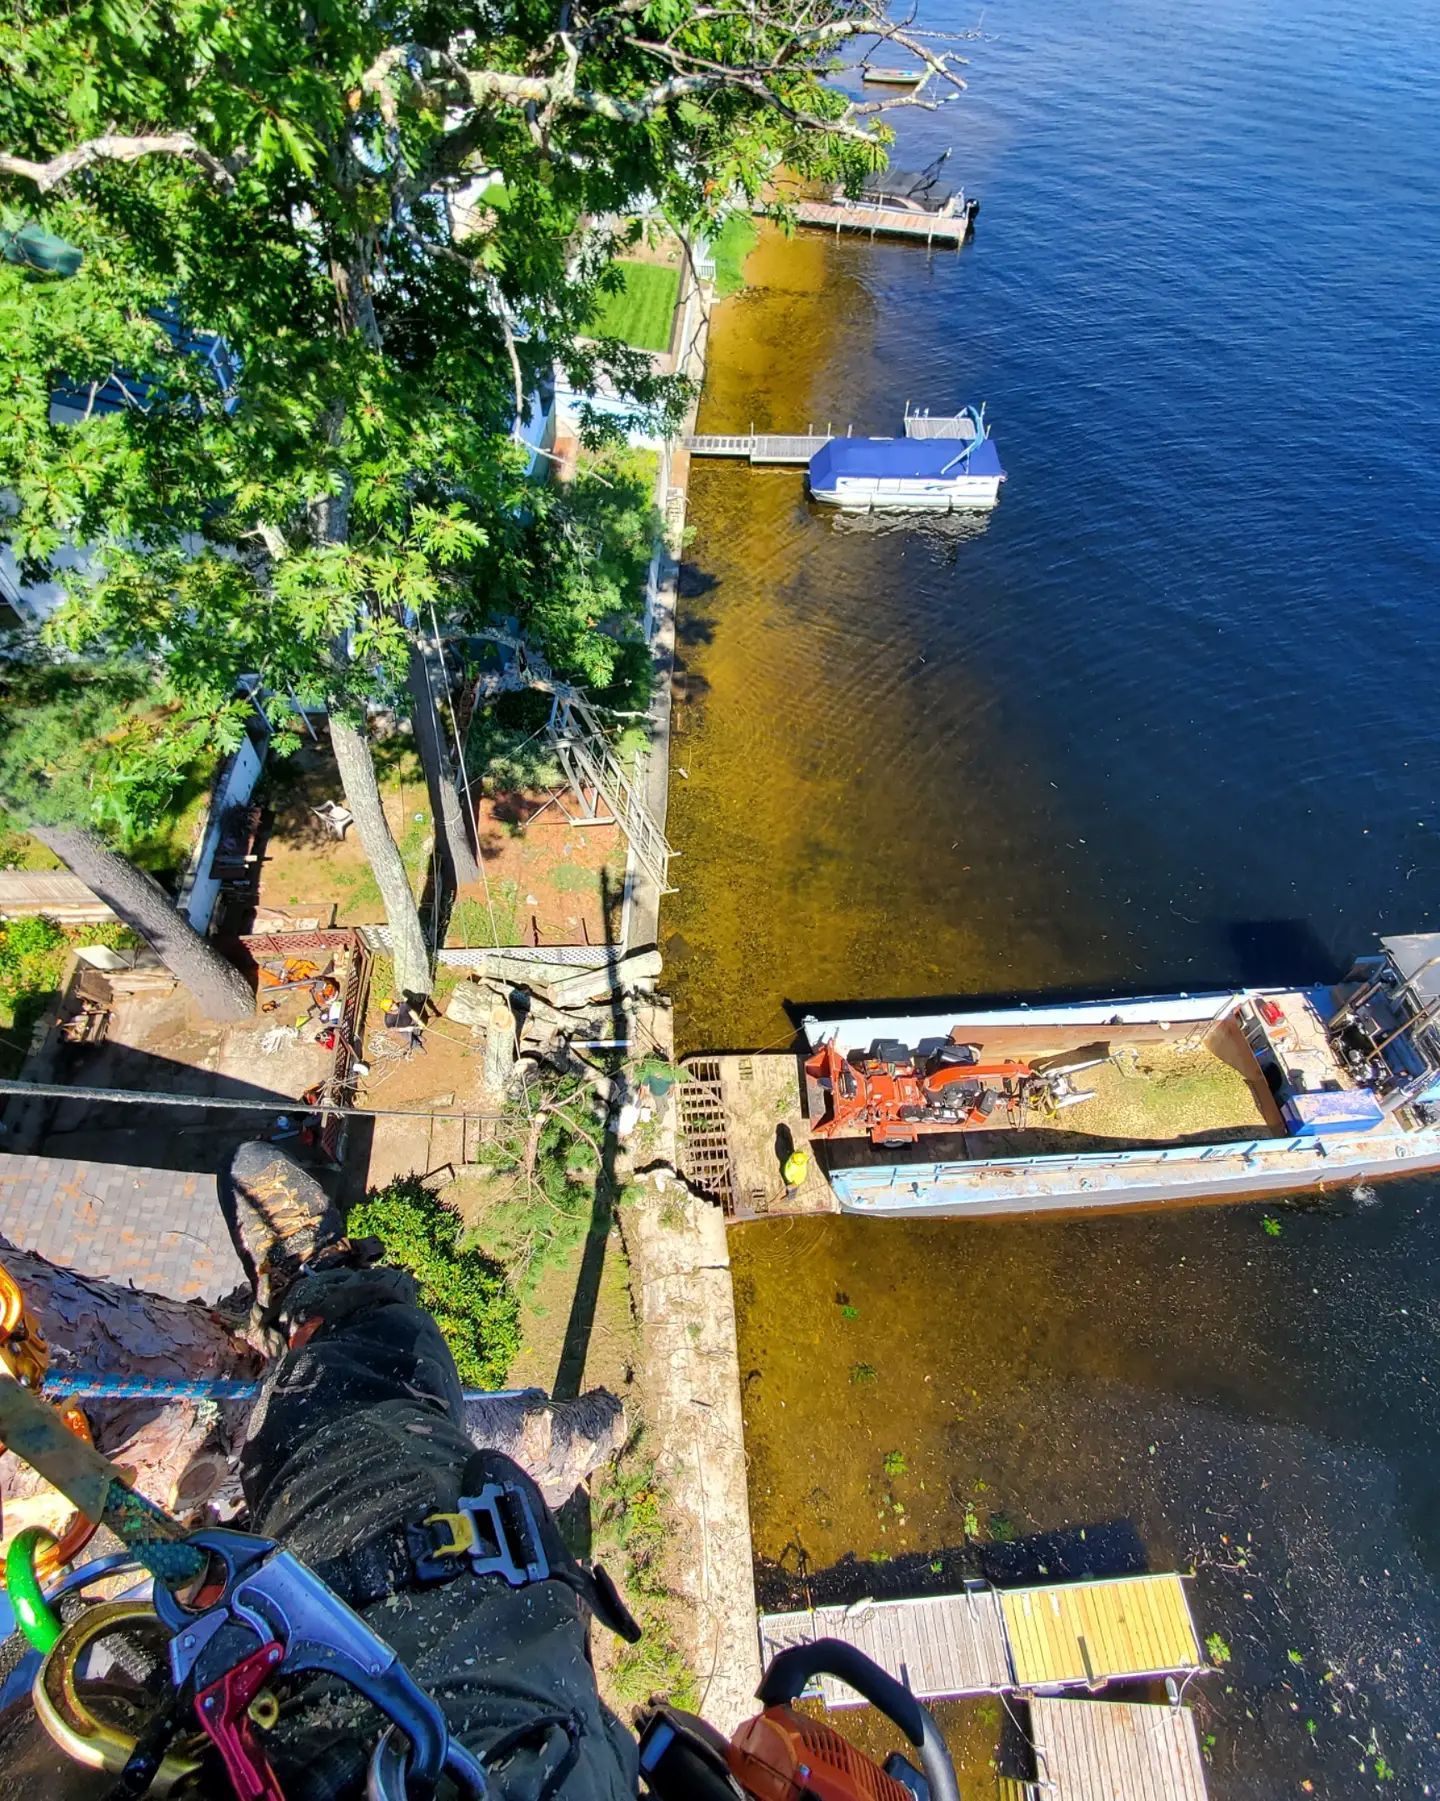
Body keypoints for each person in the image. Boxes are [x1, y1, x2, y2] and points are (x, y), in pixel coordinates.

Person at [2, 1143, 639, 1800]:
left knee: (355, 1403)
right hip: (526, 1739)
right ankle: (330, 1299)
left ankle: (324, 1293)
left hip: (425, 1722)